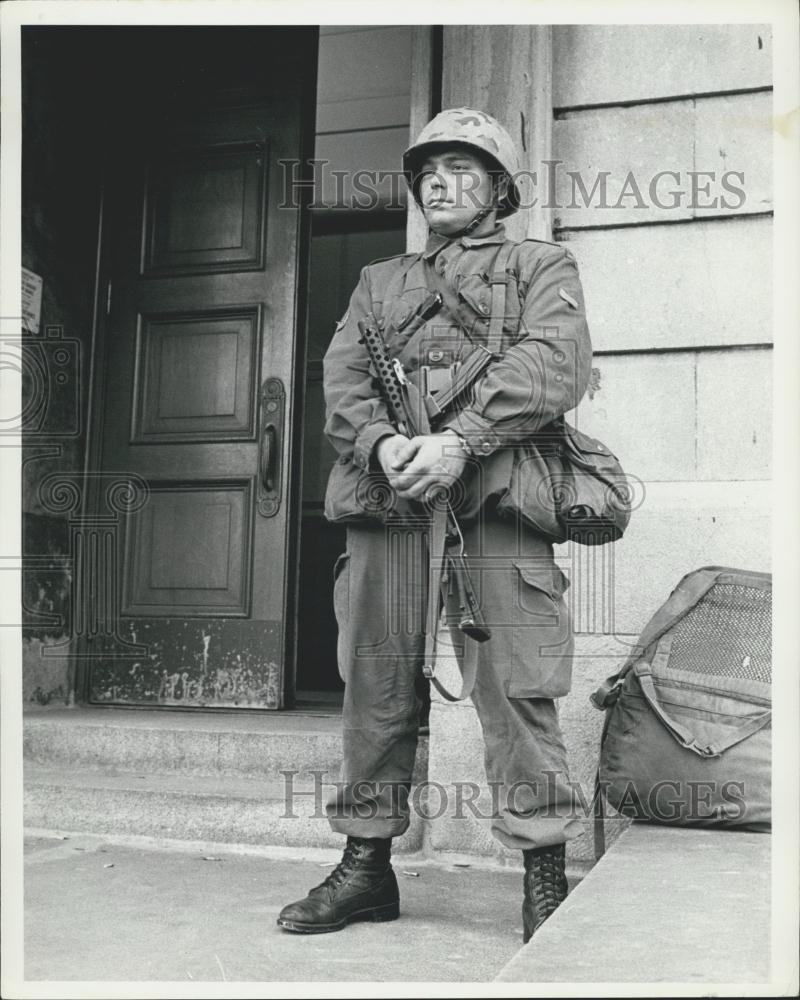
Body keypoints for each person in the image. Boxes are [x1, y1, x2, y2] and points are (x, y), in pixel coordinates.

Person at [278, 108, 592, 941]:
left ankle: (544, 874)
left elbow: (554, 365)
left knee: (516, 691)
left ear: (498, 188)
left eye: (461, 167)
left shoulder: (540, 264)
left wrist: (461, 442)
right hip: (390, 510)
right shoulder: (380, 282)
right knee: (375, 687)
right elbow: (343, 378)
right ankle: (366, 868)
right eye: (429, 171)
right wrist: (381, 446)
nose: (439, 182)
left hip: (493, 509)